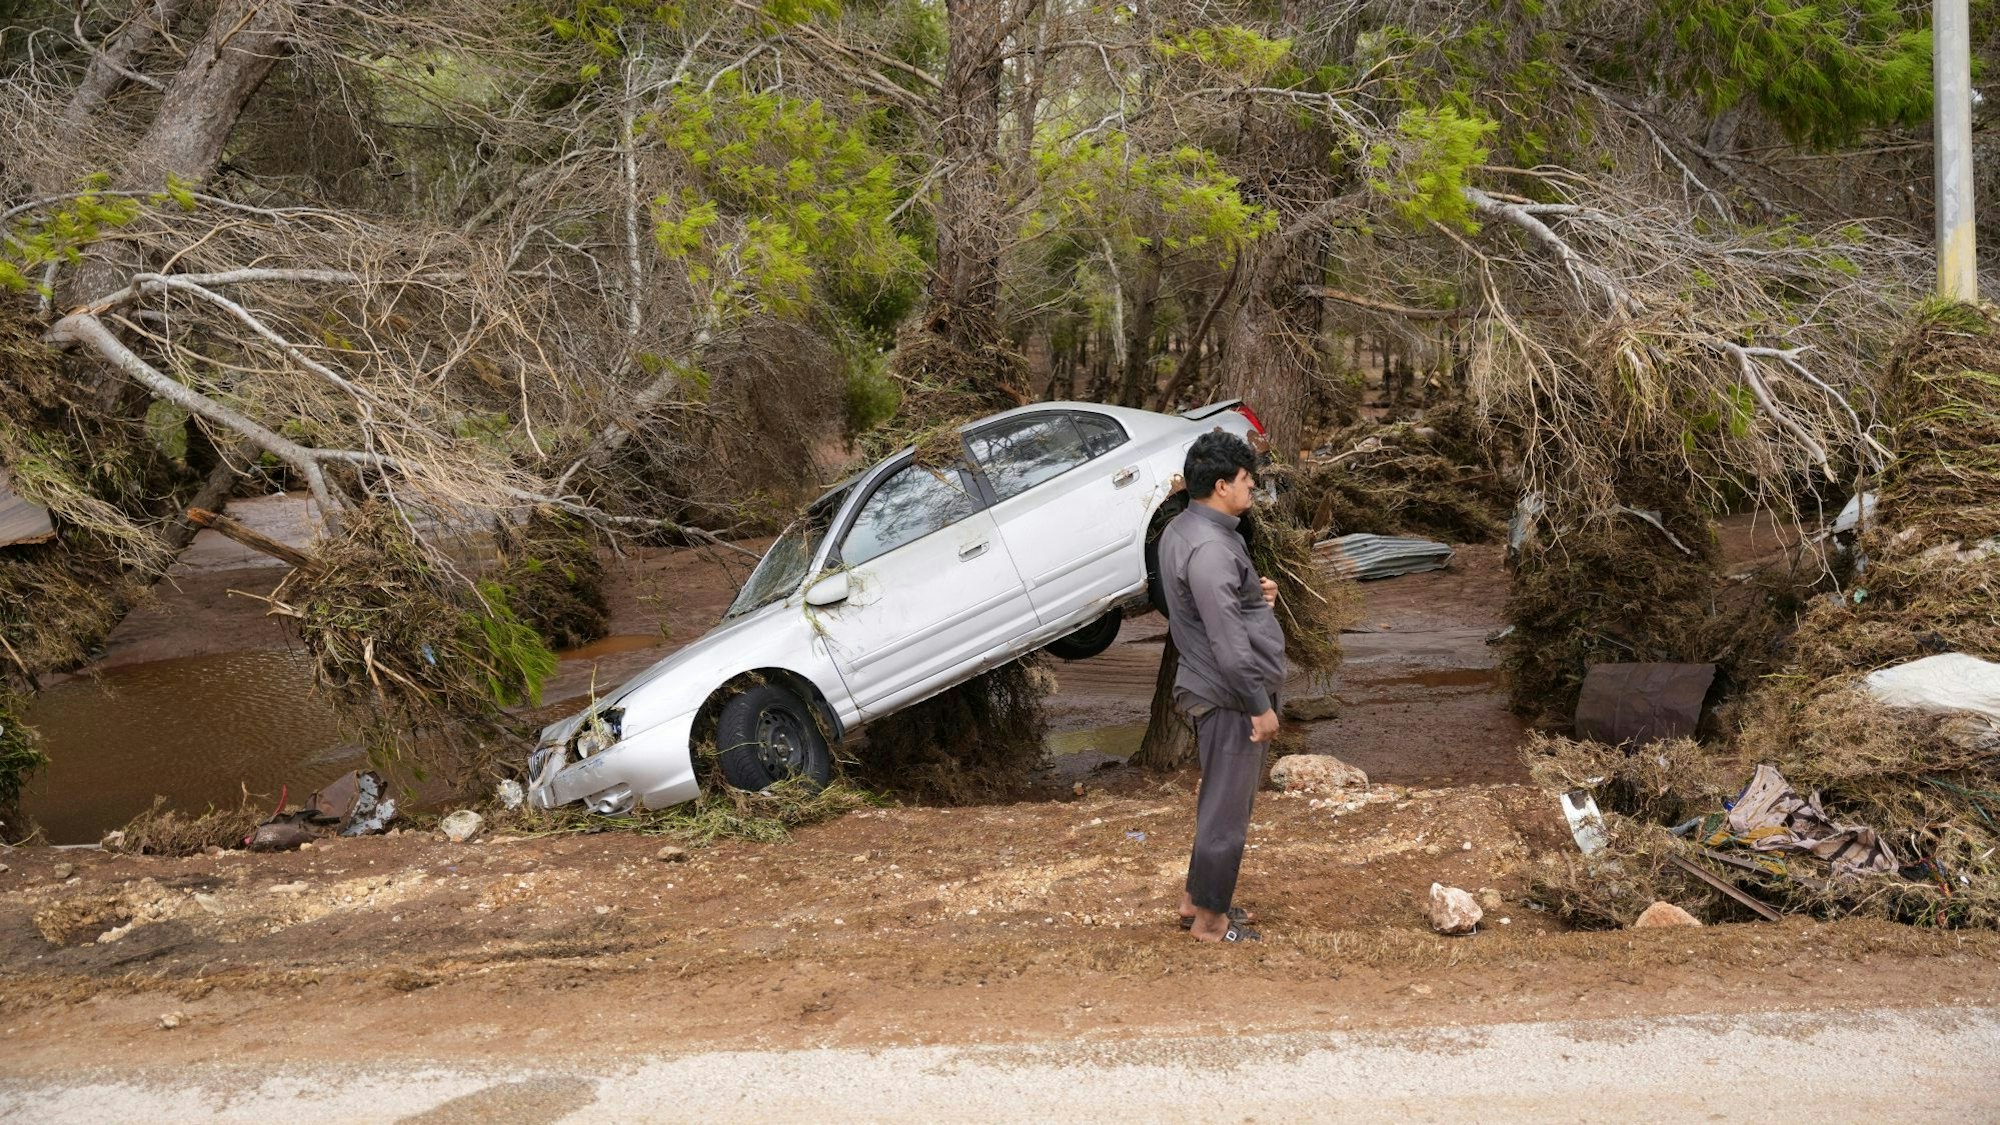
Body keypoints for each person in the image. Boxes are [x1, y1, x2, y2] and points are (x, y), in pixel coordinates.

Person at [1156, 430, 1284, 943]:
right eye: (1247, 479)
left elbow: (1200, 603)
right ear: (1222, 485)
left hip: (1215, 686)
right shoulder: (1211, 548)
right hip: (1230, 695)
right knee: (1228, 811)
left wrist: (1255, 594)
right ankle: (1211, 923)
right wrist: (1259, 706)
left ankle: (1196, 900)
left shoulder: (1185, 529)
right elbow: (1228, 642)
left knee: (1218, 802)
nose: (1252, 487)